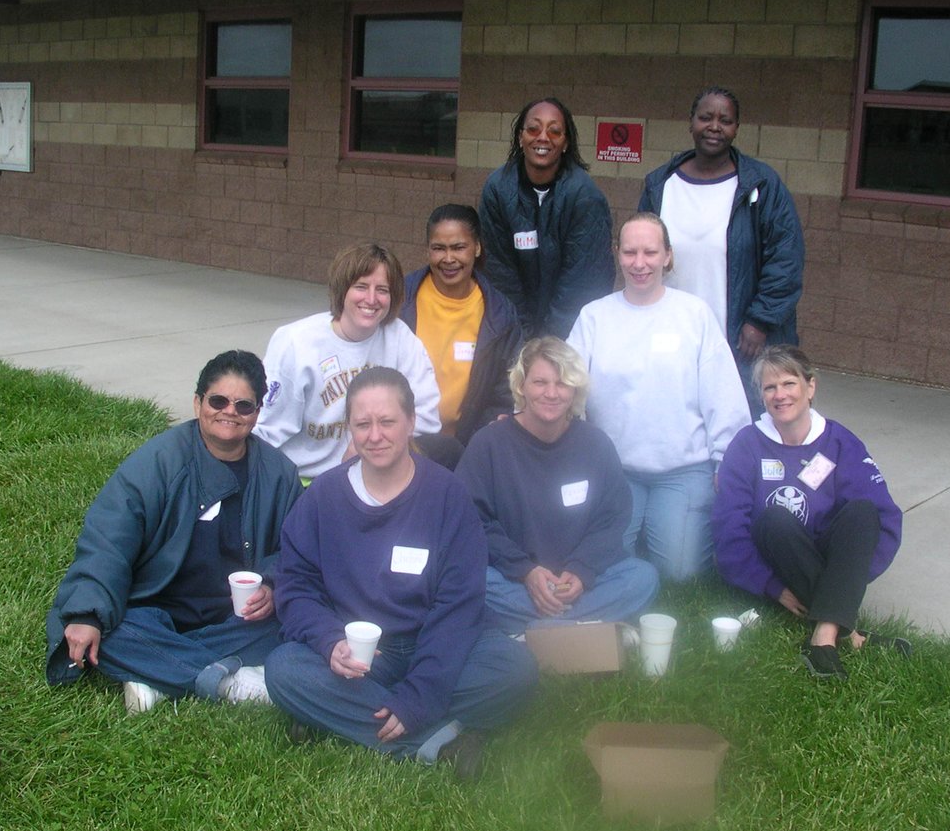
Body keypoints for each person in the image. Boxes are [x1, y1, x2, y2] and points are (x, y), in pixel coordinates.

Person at [264, 367, 537, 779]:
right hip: (360, 656)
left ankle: (341, 717)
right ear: (349, 429)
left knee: (514, 668)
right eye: (363, 424)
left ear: (410, 422)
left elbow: (459, 606)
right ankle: (435, 741)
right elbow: (295, 584)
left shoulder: (448, 496)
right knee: (284, 669)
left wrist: (422, 694)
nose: (375, 435)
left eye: (387, 421)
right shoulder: (323, 496)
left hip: (437, 643)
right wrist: (328, 641)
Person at [45, 350, 303, 713]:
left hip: (233, 617)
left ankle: (159, 674)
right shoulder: (155, 464)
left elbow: (299, 549)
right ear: (198, 403)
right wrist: (88, 614)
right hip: (156, 610)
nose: (230, 412)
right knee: (107, 631)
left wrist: (273, 586)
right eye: (218, 400)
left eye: (244, 405)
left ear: (257, 413)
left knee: (297, 623)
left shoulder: (279, 474)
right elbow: (107, 541)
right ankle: (230, 682)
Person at [568, 213, 750, 583]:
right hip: (615, 472)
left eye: (650, 252)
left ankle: (672, 528)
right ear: (616, 254)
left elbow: (723, 393)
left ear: (667, 255)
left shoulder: (694, 315)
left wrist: (726, 461)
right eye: (630, 252)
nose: (639, 263)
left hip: (683, 471)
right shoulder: (595, 317)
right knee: (607, 564)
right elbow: (565, 385)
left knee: (678, 574)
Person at [712, 345, 906, 680]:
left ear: (810, 386)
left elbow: (885, 520)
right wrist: (772, 587)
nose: (780, 395)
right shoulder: (747, 445)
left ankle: (823, 637)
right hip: (776, 561)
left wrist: (847, 580)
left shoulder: (840, 442)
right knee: (775, 516)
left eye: (789, 383)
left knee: (862, 512)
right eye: (769, 387)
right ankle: (847, 633)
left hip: (830, 565)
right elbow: (728, 531)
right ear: (761, 395)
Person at [455, 337, 658, 633]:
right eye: (540, 382)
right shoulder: (489, 444)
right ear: (521, 386)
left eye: (562, 383)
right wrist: (525, 572)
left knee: (643, 577)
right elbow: (471, 520)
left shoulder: (595, 444)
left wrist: (582, 570)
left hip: (577, 581)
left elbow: (612, 518)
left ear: (575, 390)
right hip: (512, 577)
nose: (551, 393)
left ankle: (538, 630)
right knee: (466, 579)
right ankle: (581, 627)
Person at [638, 86, 805, 410]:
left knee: (741, 421)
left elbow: (785, 260)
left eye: (725, 120)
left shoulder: (762, 185)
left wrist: (758, 321)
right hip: (673, 334)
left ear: (736, 128)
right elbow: (641, 253)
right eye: (706, 117)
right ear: (691, 123)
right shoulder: (661, 185)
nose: (714, 126)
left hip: (739, 340)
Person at [253, 242, 441, 479]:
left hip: (373, 474)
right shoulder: (296, 343)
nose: (371, 299)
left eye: (382, 290)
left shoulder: (400, 338)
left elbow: (427, 417)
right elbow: (268, 430)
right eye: (361, 287)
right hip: (303, 480)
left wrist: (363, 444)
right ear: (343, 290)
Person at [479, 96, 615, 339]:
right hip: (514, 330)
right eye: (533, 128)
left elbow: (582, 281)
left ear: (565, 143)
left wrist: (550, 344)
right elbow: (500, 273)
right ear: (520, 137)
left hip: (570, 333)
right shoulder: (498, 189)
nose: (543, 137)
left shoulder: (584, 195)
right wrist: (523, 339)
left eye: (554, 131)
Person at [399, 203, 524, 449]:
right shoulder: (400, 300)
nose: (448, 259)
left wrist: (480, 438)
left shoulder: (500, 315)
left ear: (477, 247)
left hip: (463, 446)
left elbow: (506, 388)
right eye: (438, 248)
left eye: (458, 247)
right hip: (400, 443)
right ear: (427, 251)